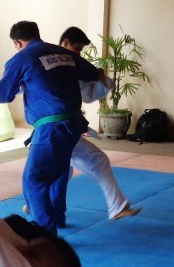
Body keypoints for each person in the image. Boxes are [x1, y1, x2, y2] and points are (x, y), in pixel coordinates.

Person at [0, 21, 100, 232]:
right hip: (74, 124)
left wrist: (2, 83)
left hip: (52, 127)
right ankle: (57, 217)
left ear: (17, 42)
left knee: (34, 180)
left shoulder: (22, 58)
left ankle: (46, 236)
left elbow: (2, 94)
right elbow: (92, 73)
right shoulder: (63, 53)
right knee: (58, 173)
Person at [57, 27, 139, 222]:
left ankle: (33, 201)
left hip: (63, 126)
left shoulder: (70, 66)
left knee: (62, 169)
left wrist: (102, 79)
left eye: (80, 50)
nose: (78, 53)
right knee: (97, 160)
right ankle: (117, 206)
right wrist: (102, 80)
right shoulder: (61, 65)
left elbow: (86, 94)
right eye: (76, 48)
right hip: (60, 127)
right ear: (66, 43)